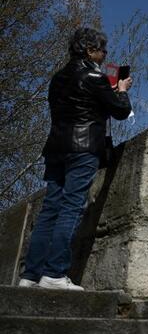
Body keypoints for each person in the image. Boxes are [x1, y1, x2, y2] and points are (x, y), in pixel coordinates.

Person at [18, 27, 133, 291]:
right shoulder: (95, 77)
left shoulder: (58, 78)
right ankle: (55, 274)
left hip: (56, 148)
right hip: (83, 149)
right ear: (90, 50)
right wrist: (122, 90)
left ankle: (30, 275)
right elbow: (121, 111)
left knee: (49, 211)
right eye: (103, 50)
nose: (105, 55)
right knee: (71, 207)